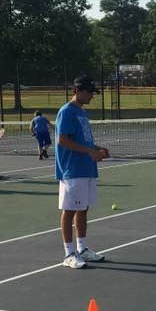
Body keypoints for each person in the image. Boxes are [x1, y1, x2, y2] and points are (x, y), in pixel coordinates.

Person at [55, 75, 109, 269]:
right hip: (72, 170)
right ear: (77, 91)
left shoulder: (82, 113)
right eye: (89, 93)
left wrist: (98, 149)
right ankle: (69, 253)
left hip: (87, 169)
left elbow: (83, 141)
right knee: (69, 210)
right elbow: (63, 139)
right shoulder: (66, 112)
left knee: (83, 209)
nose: (91, 96)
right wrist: (90, 151)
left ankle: (82, 248)